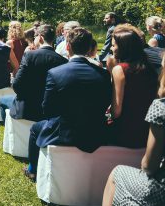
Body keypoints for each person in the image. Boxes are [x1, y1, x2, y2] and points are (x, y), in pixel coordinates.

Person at [24, 28, 112, 181]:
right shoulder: (104, 74)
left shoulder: (56, 73)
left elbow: (48, 109)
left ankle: (32, 169)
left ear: (68, 47)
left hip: (65, 132)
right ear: (90, 48)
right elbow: (106, 103)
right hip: (95, 131)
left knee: (35, 128)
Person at [101, 63, 165, 206]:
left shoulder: (161, 108)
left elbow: (149, 166)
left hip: (161, 194)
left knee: (117, 173)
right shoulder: (145, 70)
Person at [0, 25, 67, 123]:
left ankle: (9, 133)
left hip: (27, 108)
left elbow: (17, 85)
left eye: (35, 37)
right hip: (50, 111)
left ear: (40, 38)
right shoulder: (62, 60)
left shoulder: (30, 55)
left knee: (3, 101)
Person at [109, 25, 158, 148]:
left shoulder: (120, 70)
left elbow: (116, 112)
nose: (111, 48)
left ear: (124, 47)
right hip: (149, 130)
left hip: (126, 131)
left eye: (114, 45)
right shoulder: (149, 68)